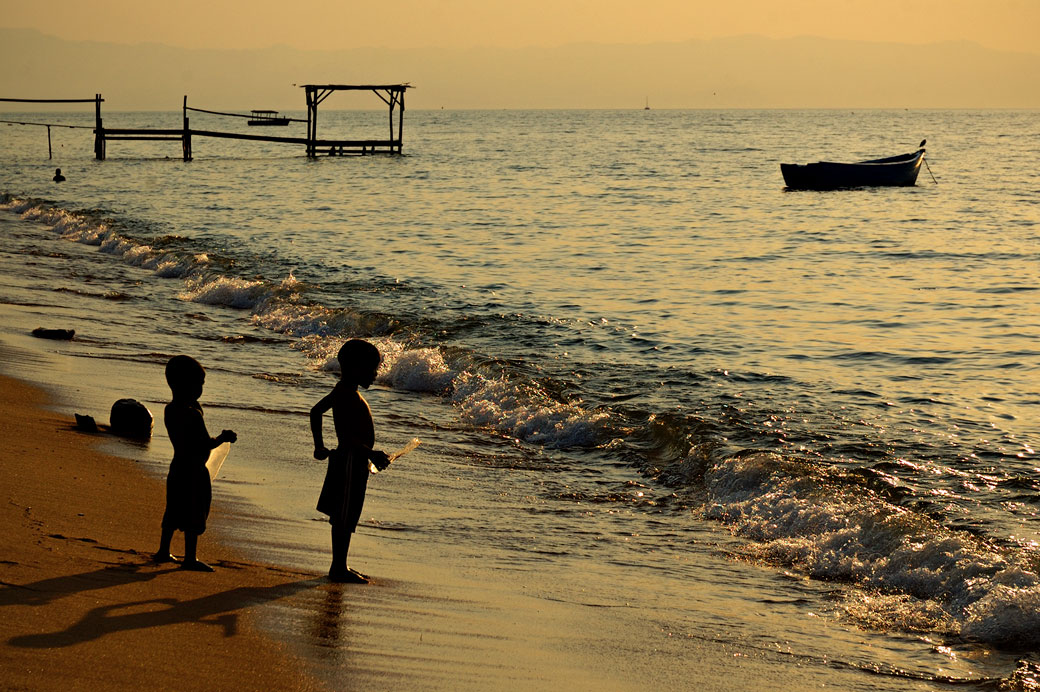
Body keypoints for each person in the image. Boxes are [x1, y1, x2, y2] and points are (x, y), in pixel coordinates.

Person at [311, 339, 390, 584]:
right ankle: (338, 567)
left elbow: (316, 412)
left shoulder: (343, 391)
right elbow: (347, 438)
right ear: (356, 367)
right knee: (344, 516)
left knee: (346, 515)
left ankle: (340, 565)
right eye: (372, 369)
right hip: (348, 462)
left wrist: (320, 446)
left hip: (352, 462)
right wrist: (371, 453)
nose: (375, 375)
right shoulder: (346, 394)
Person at [155, 355, 237, 571]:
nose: (201, 388)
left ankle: (163, 550)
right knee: (194, 513)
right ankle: (189, 558)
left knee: (173, 509)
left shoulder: (170, 409)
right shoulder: (192, 414)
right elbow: (203, 444)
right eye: (199, 384)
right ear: (187, 385)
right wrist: (223, 438)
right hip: (194, 472)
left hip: (177, 467)